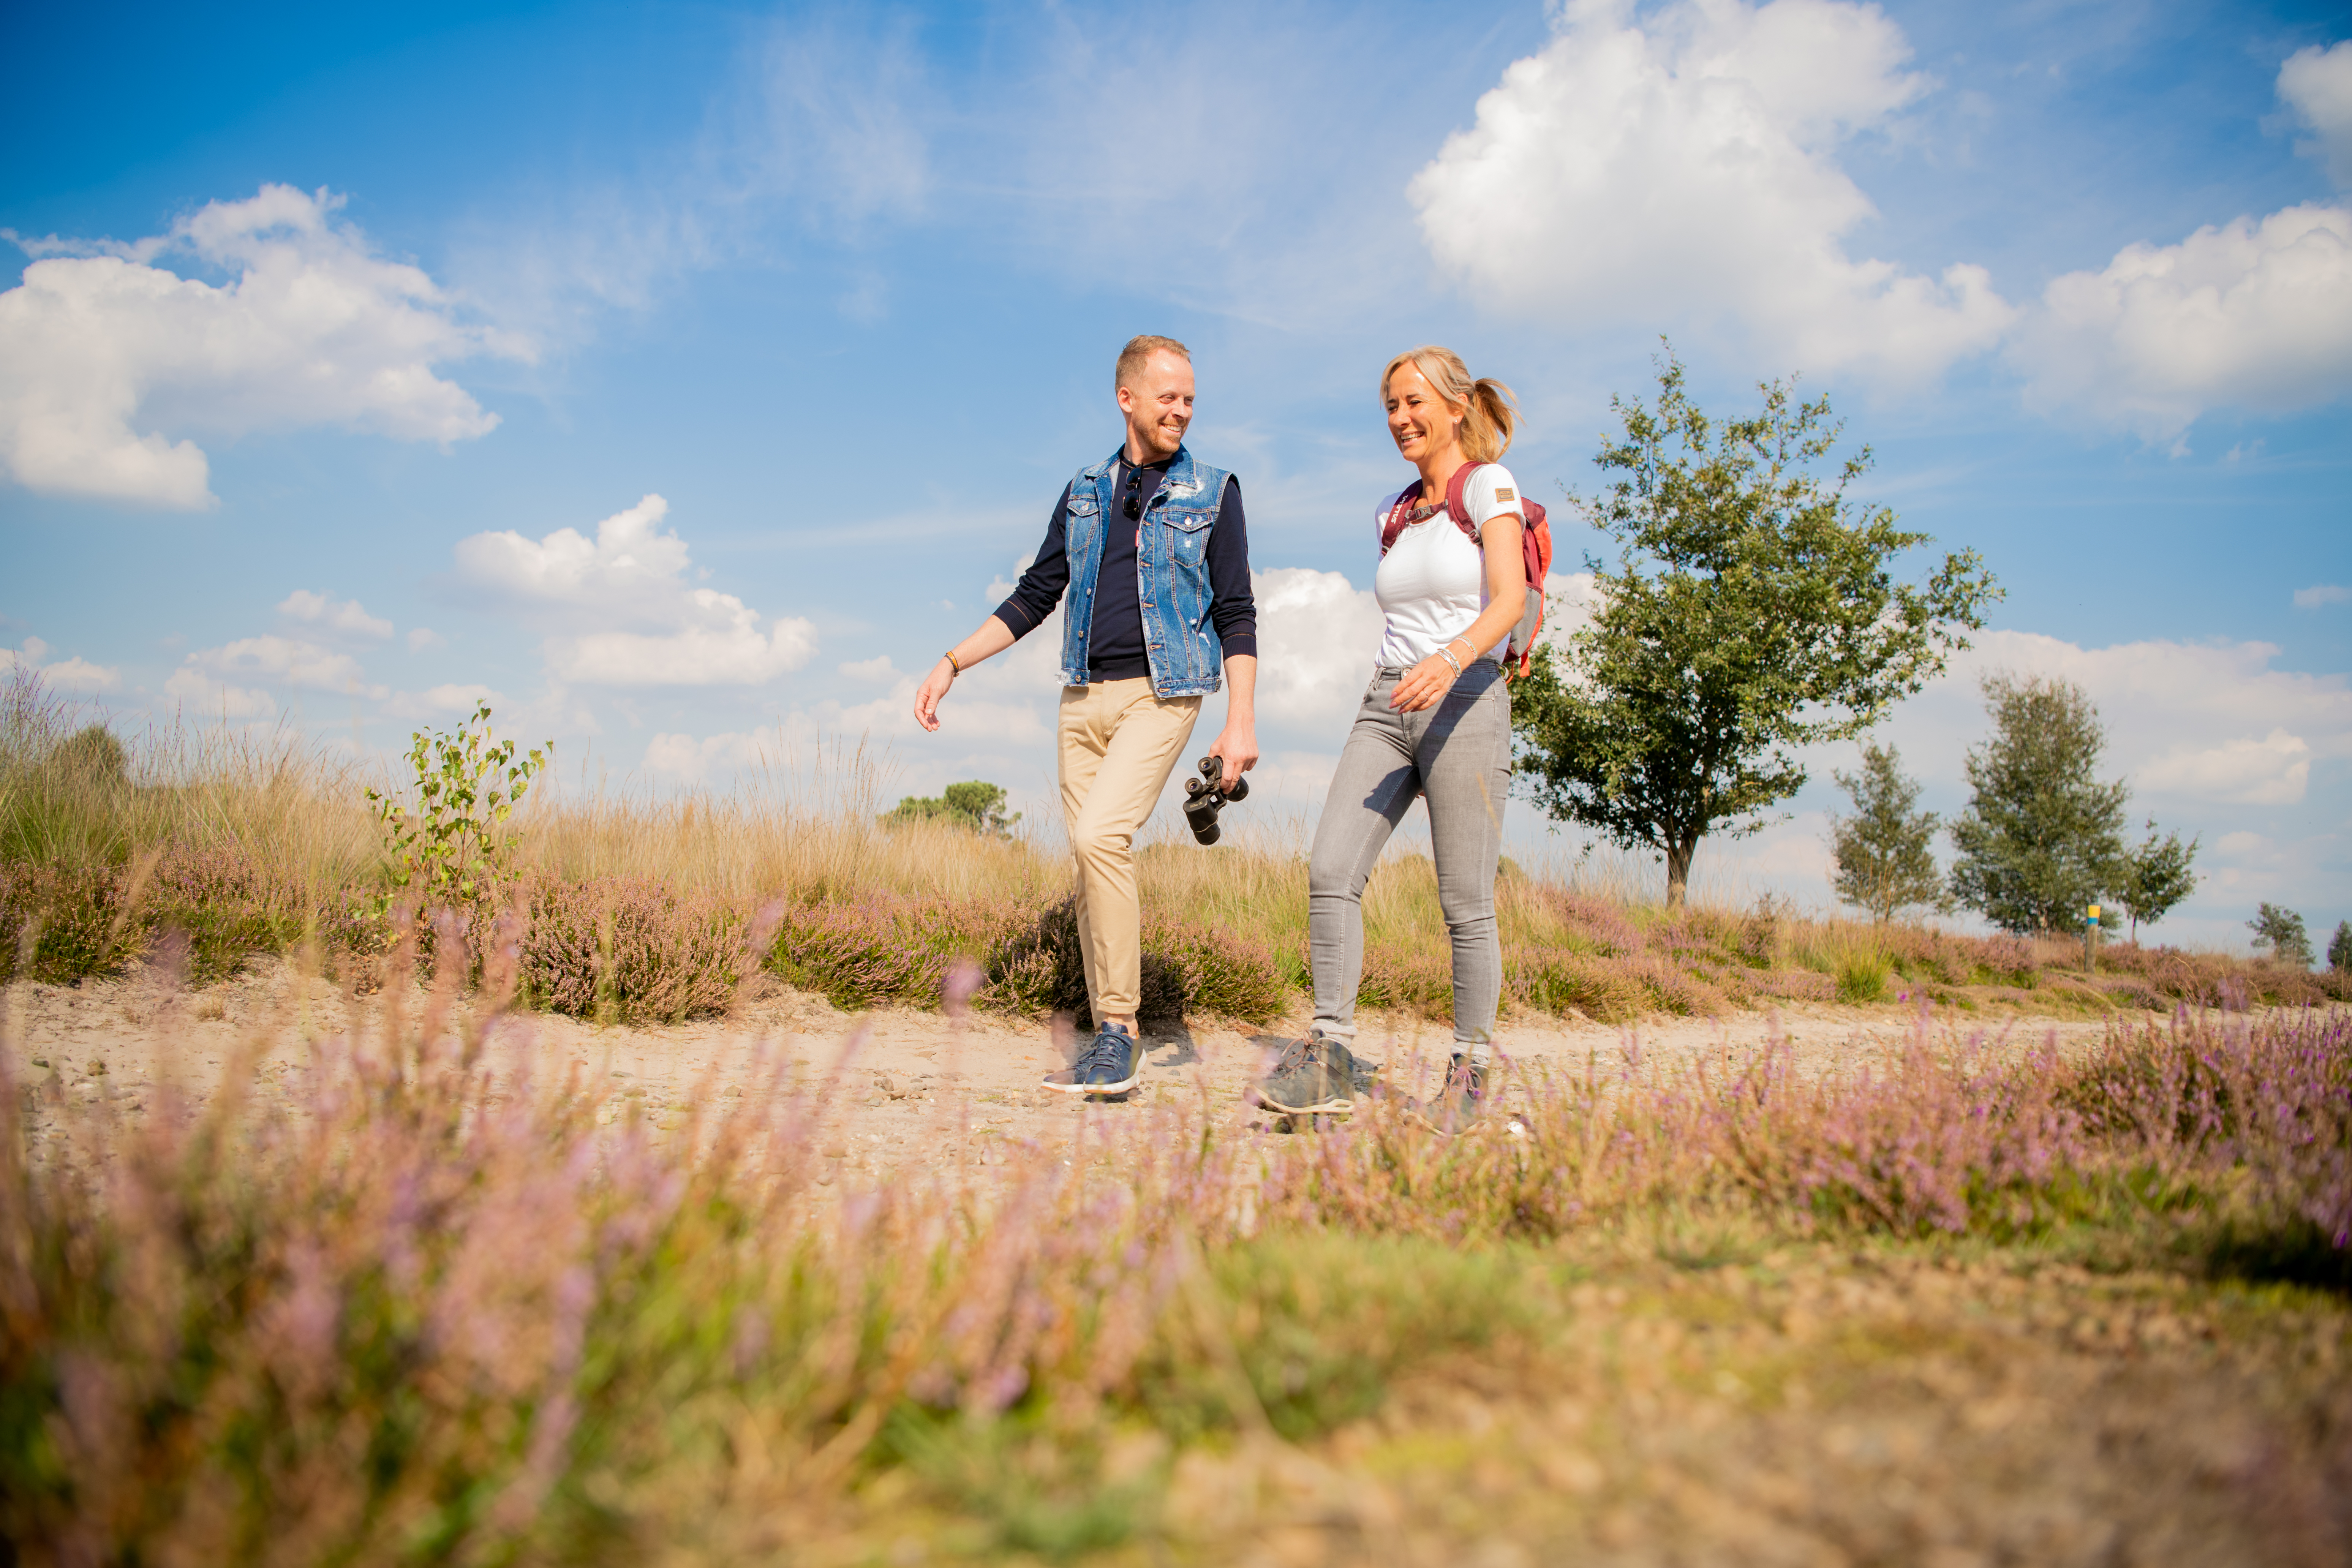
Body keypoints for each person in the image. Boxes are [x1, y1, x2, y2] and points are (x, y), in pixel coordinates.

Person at [914, 335, 1258, 1095]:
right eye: (1168, 397)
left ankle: (1118, 1032)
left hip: (1164, 694)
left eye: (1191, 399)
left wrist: (1241, 722)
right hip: (1081, 698)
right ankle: (1108, 1028)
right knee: (1090, 854)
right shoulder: (1083, 491)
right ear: (1127, 398)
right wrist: (953, 662)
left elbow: (1236, 609)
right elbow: (1037, 593)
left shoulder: (1212, 490)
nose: (1182, 411)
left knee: (1104, 836)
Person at [1257, 346, 1524, 1129]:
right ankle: (1332, 1049)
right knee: (1331, 867)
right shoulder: (1393, 511)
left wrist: (1449, 662)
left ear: (1455, 405)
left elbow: (1508, 601)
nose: (1400, 420)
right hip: (1387, 702)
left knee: (1466, 901)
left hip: (1466, 697)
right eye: (1389, 408)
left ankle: (1470, 1072)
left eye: (1413, 404)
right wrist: (1415, 669)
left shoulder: (1490, 488)